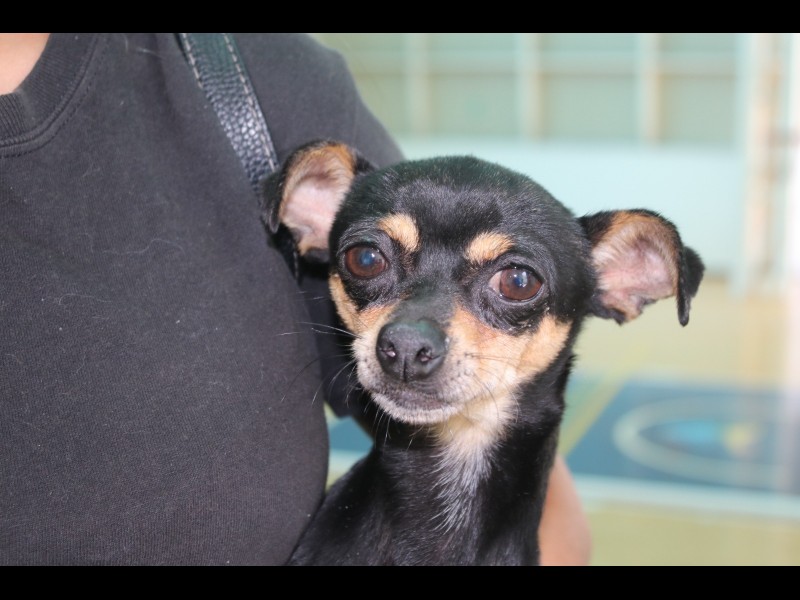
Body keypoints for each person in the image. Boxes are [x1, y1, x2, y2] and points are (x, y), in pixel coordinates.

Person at [0, 33, 591, 565]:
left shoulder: (251, 75)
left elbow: (530, 492)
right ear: (311, 215)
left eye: (514, 284)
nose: (412, 335)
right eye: (369, 261)